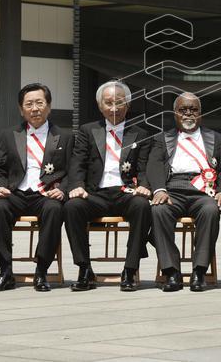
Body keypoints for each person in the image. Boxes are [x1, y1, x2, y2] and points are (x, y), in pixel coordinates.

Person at [64, 80, 152, 292]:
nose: (114, 108)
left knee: (142, 206)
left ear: (128, 105)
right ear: (100, 105)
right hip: (96, 194)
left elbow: (144, 168)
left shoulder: (141, 133)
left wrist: (145, 185)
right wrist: (76, 185)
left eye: (119, 102)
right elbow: (78, 162)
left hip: (125, 194)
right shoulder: (87, 131)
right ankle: (84, 269)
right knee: (72, 206)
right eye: (108, 103)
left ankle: (130, 270)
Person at [0, 83, 73, 292]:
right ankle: (5, 271)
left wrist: (63, 189)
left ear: (49, 106)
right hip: (16, 191)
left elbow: (74, 170)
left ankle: (41, 271)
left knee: (54, 209)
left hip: (46, 194)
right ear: (21, 109)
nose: (35, 108)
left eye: (39, 103)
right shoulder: (8, 135)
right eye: (29, 104)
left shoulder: (65, 135)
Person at [147, 92, 221, 292]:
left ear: (201, 114)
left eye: (194, 110)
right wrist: (159, 190)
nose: (188, 114)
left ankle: (199, 272)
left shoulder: (217, 139)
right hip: (172, 189)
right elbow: (154, 165)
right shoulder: (161, 139)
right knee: (159, 210)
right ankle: (171, 272)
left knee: (210, 210)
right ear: (175, 113)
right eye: (183, 110)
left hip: (204, 191)